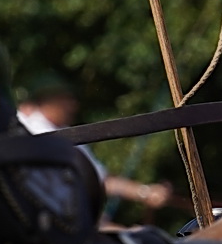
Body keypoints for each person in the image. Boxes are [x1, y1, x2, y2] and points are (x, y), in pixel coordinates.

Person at [17, 74, 173, 215]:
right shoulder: (32, 127)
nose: (73, 106)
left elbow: (101, 179)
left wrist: (144, 192)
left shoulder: (64, 132)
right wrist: (145, 193)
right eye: (65, 100)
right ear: (46, 101)